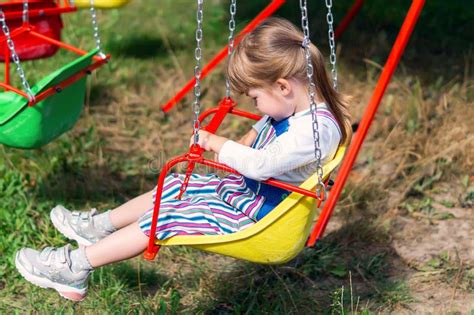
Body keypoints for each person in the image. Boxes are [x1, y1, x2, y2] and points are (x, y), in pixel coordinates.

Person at [14, 17, 351, 302]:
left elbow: (262, 165)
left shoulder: (314, 130)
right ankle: (99, 228)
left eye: (255, 98)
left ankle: (74, 268)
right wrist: (251, 134)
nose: (255, 107)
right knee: (176, 184)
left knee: (169, 214)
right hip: (247, 197)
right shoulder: (304, 110)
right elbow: (273, 128)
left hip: (258, 218)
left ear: (282, 86)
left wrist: (218, 142)